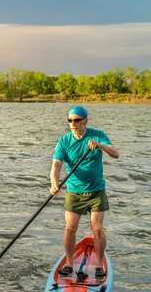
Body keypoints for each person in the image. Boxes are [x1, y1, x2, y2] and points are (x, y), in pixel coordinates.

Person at [49, 106, 119, 278]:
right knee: (70, 228)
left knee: (97, 228)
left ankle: (99, 265)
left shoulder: (97, 135)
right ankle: (68, 264)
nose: (73, 123)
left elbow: (115, 154)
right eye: (70, 120)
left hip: (96, 191)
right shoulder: (64, 141)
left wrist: (100, 145)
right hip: (74, 191)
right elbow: (56, 165)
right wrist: (54, 184)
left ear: (85, 121)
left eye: (77, 120)